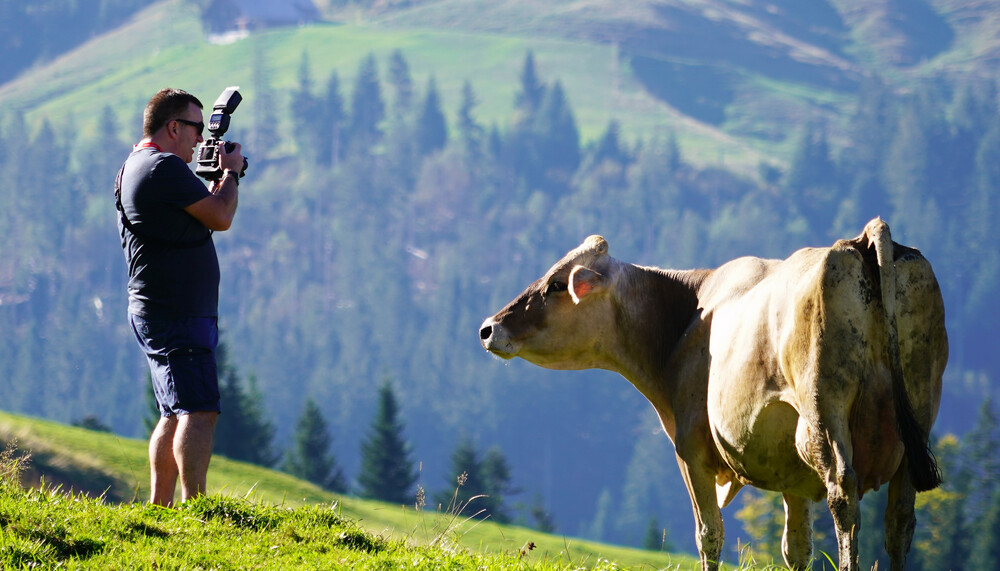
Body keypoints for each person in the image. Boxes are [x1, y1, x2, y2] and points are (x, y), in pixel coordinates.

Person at [116, 88, 244, 506]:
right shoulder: (163, 167)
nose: (200, 140)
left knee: (173, 413)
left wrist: (213, 180)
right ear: (173, 126)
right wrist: (231, 173)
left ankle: (161, 507)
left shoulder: (136, 165)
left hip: (159, 308)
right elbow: (220, 216)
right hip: (177, 312)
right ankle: (197, 508)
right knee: (199, 409)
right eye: (194, 128)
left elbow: (195, 210)